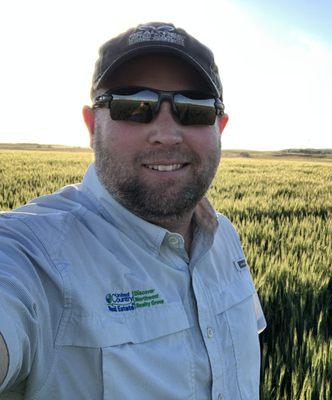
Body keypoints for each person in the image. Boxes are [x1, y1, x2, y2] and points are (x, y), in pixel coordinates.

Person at [0, 22, 266, 399]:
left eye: (194, 109)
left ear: (220, 127)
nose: (167, 133)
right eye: (133, 106)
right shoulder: (34, 255)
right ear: (92, 127)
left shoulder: (224, 238)